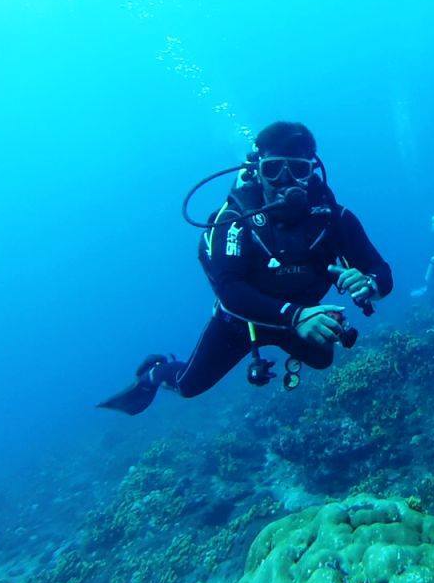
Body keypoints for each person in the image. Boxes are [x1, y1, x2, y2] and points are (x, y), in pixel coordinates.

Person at [99, 121, 393, 414]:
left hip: (303, 318)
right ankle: (156, 372)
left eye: (298, 169)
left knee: (322, 359)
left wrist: (369, 284)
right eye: (273, 168)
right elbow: (229, 290)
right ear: (257, 169)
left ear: (311, 172)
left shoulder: (334, 219)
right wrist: (296, 315)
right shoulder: (233, 219)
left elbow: (381, 270)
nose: (285, 180)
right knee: (188, 386)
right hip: (241, 324)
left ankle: (293, 337)